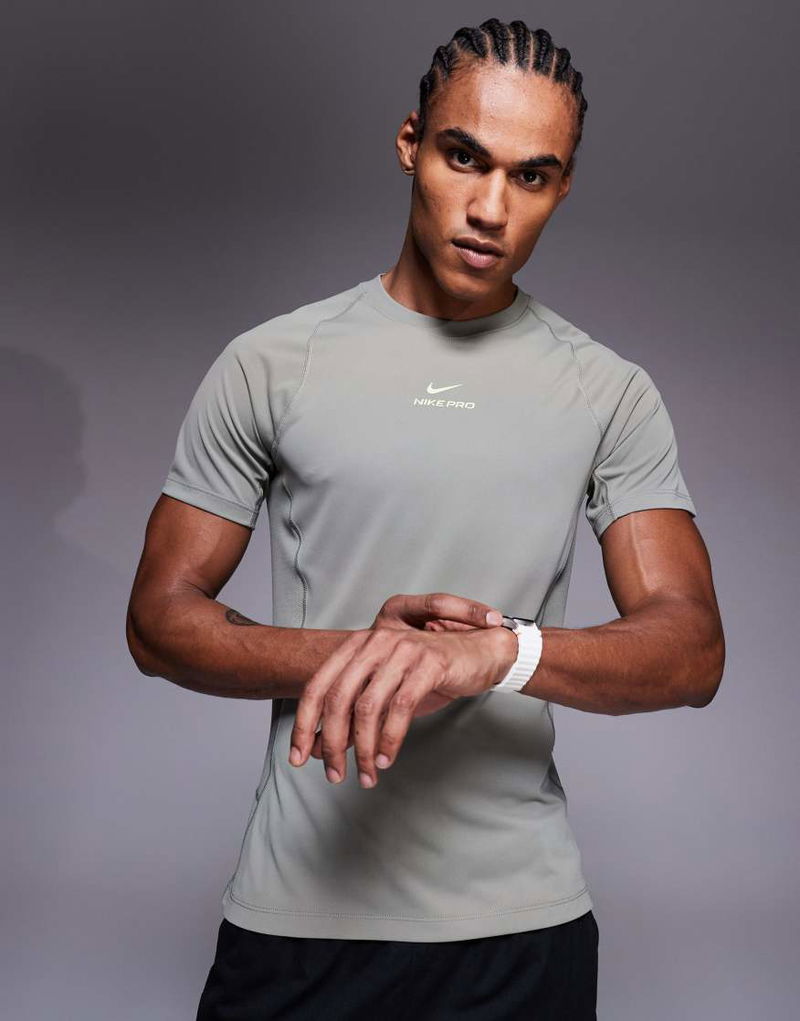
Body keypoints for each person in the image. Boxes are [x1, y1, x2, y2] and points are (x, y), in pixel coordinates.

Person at [126, 17, 725, 1020]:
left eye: (531, 177)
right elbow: (158, 620)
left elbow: (691, 648)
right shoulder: (272, 364)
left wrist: (493, 655)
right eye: (464, 157)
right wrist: (368, 658)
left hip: (520, 934)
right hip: (300, 922)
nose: (490, 208)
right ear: (411, 143)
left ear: (563, 187)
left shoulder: (606, 391)